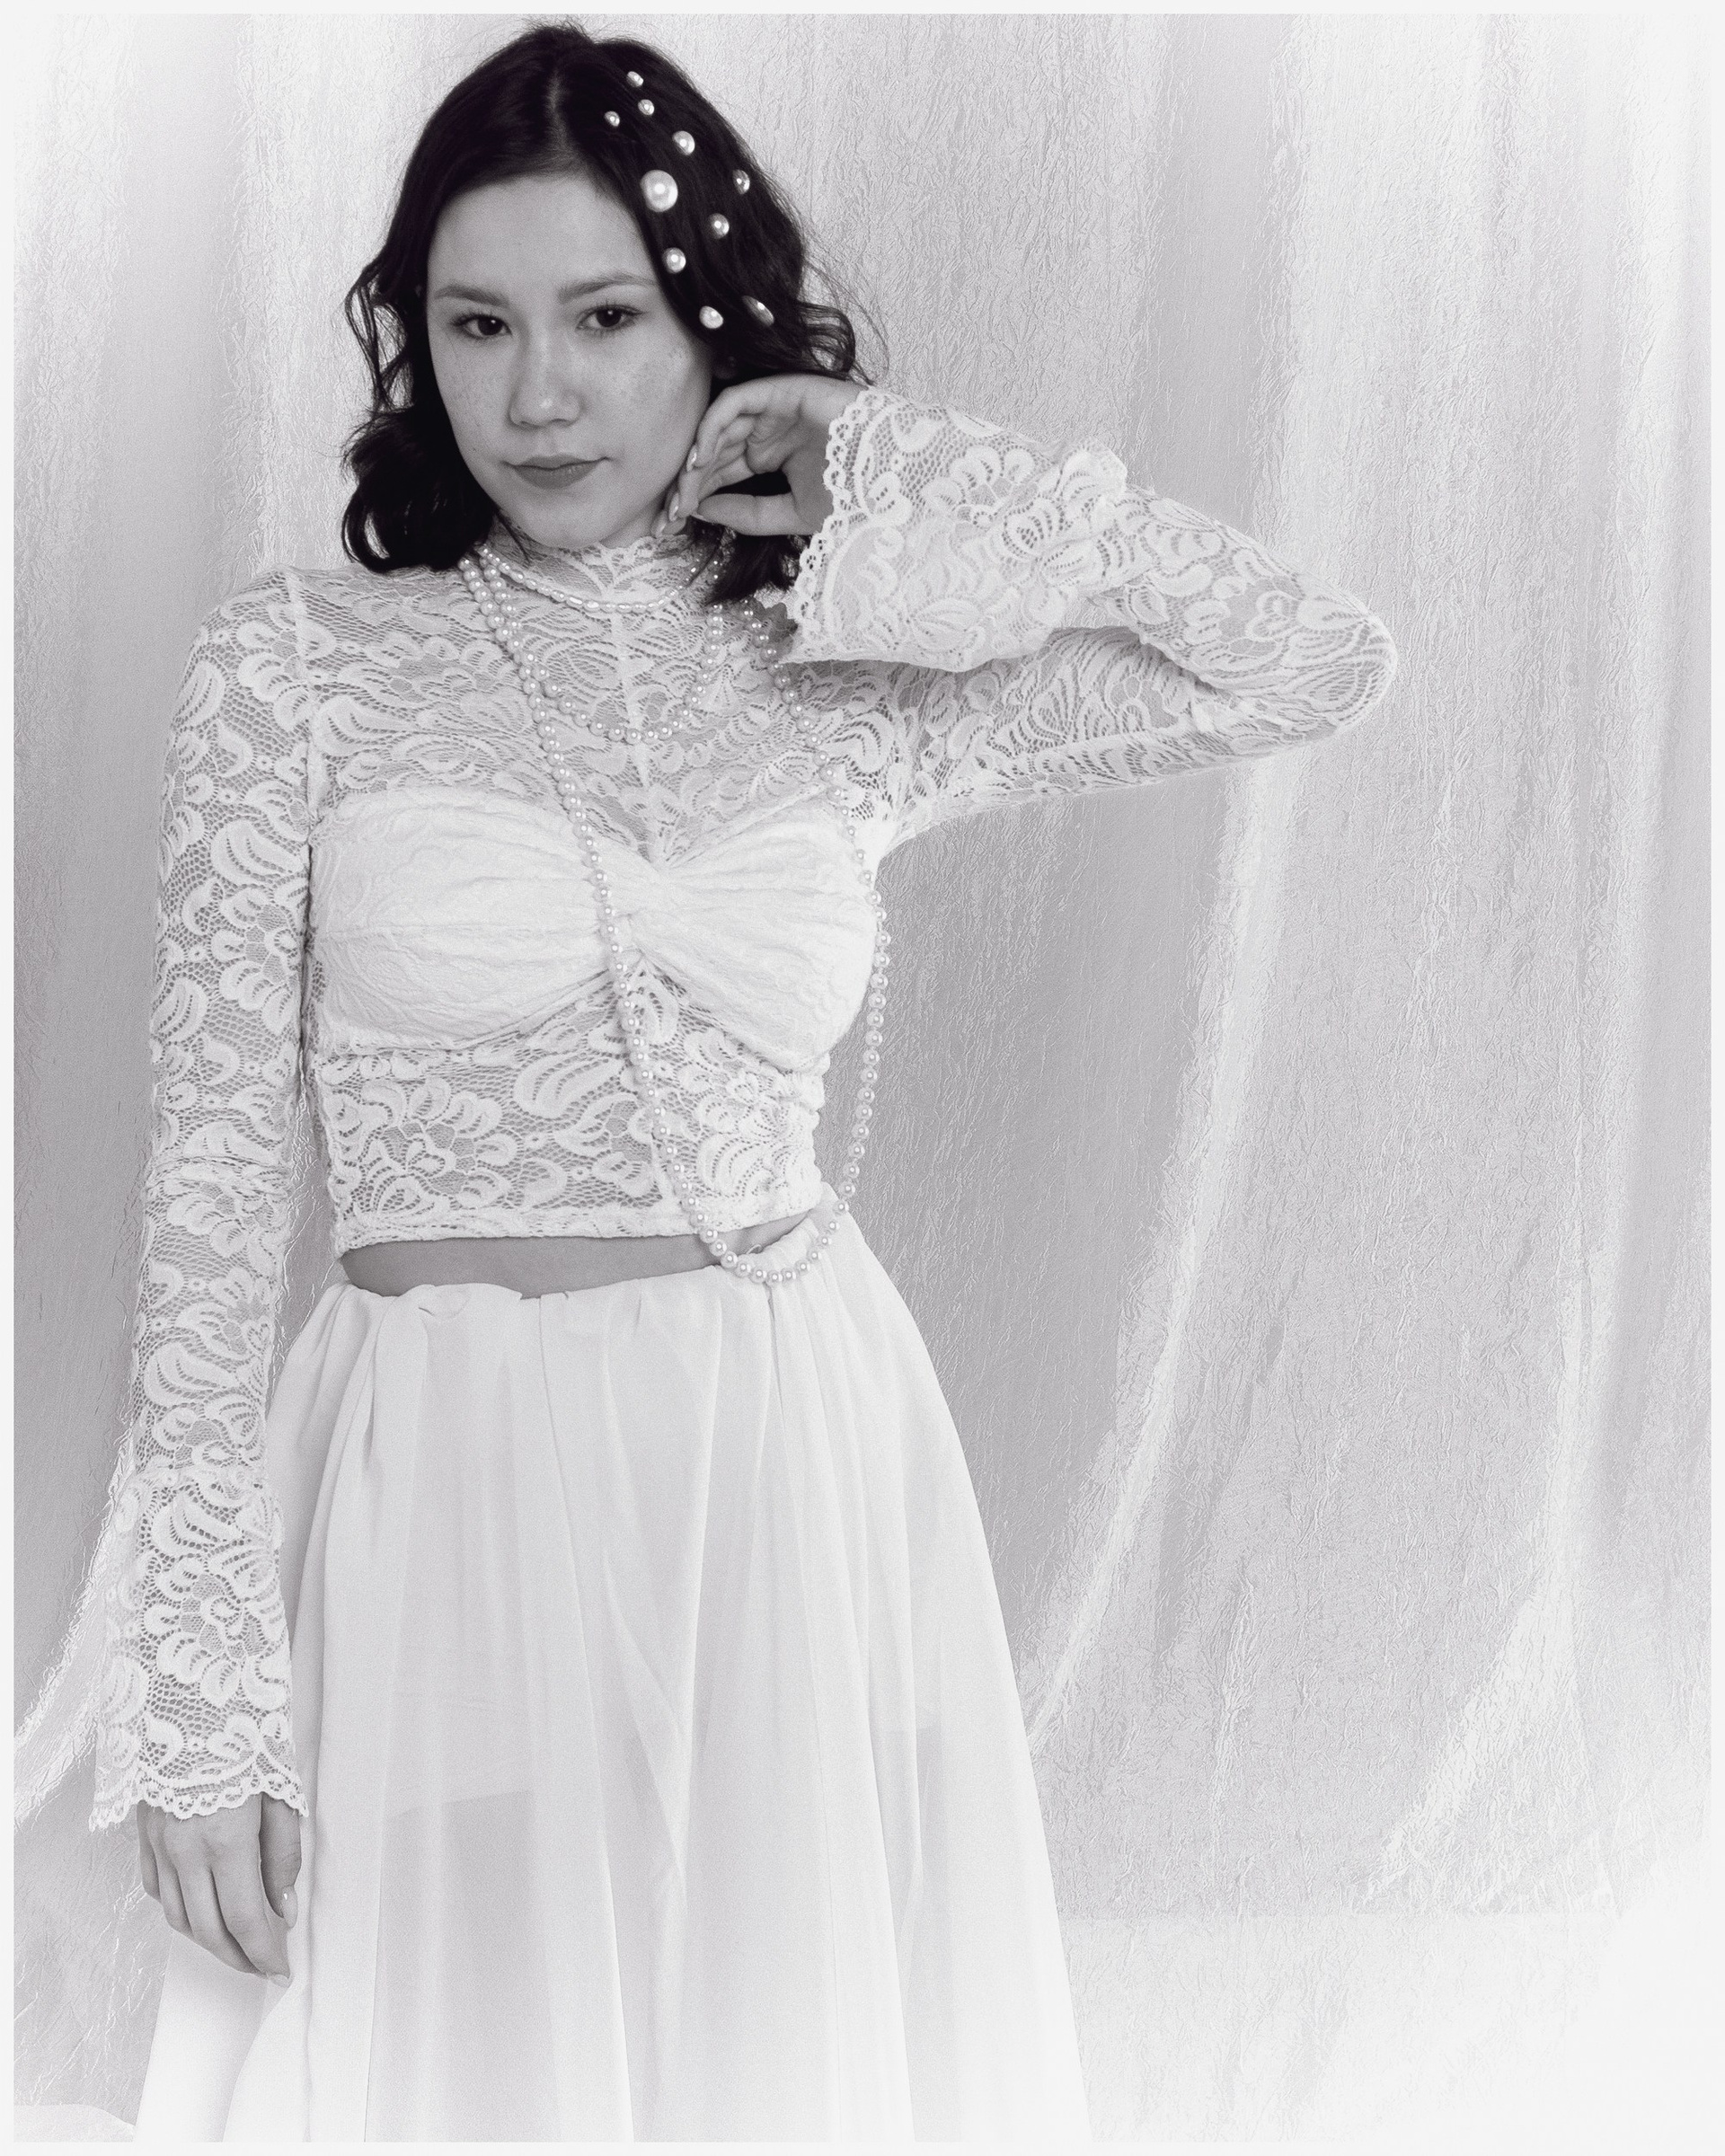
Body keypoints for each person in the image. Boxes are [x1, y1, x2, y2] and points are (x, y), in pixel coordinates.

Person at [15, 21, 1399, 2143]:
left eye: (608, 317)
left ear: (716, 329)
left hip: (785, 1464)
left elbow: (1311, 658)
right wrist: (201, 1696)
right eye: (479, 324)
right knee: (463, 2065)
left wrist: (895, 464)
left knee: (771, 2067)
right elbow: (204, 1199)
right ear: (414, 344)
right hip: (438, 1488)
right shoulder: (297, 666)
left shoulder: (845, 683)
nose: (538, 395)